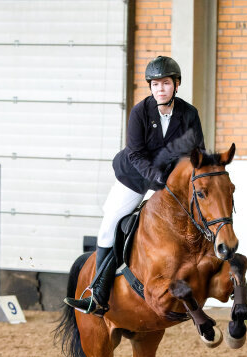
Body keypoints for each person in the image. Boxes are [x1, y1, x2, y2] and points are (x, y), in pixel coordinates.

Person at [64, 56, 205, 315]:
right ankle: (97, 294)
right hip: (134, 178)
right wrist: (159, 180)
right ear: (150, 88)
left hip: (168, 183)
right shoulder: (140, 112)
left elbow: (197, 153)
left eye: (165, 83)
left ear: (176, 84)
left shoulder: (189, 114)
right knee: (109, 226)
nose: (160, 88)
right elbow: (136, 155)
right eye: (155, 84)